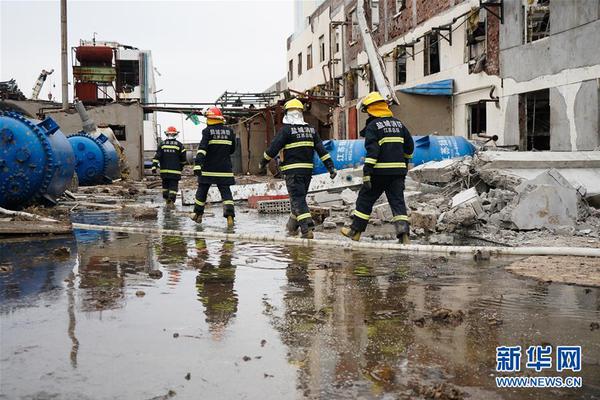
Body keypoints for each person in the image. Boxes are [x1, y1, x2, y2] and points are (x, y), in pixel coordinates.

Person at [341, 92, 414, 243]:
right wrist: (405, 163)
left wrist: (367, 172)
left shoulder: (373, 126)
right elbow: (410, 146)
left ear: (371, 109)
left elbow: (373, 152)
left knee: (365, 199)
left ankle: (355, 232)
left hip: (379, 172)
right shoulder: (399, 124)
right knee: (398, 202)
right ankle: (404, 235)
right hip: (398, 172)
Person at [258, 98, 336, 239]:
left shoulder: (286, 131)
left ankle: (307, 228)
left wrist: (262, 162)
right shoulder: (311, 131)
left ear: (287, 113)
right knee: (299, 199)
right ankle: (292, 228)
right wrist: (331, 168)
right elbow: (322, 151)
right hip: (307, 172)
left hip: (293, 173)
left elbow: (273, 149)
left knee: (298, 200)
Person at [191, 107, 236, 227]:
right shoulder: (230, 132)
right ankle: (230, 216)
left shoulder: (207, 131)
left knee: (202, 190)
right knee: (226, 193)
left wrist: (198, 165)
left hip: (208, 170)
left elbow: (202, 149)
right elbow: (232, 150)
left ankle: (197, 214)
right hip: (225, 170)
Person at [152, 126, 186, 205]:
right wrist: (181, 167)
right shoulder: (180, 145)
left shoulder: (162, 144)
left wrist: (154, 167)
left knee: (165, 185)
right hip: (175, 172)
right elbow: (183, 159)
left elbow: (156, 157)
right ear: (175, 134)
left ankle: (166, 199)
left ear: (167, 134)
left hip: (164, 171)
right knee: (173, 186)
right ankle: (171, 199)